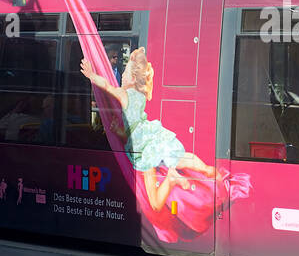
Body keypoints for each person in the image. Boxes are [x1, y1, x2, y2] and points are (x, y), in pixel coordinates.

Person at [80, 48, 217, 211]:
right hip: (148, 136)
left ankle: (171, 179)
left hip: (141, 149)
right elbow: (134, 127)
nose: (121, 75)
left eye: (124, 74)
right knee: (177, 156)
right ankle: (206, 169)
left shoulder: (125, 94)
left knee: (155, 204)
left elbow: (106, 86)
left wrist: (91, 75)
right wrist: (118, 132)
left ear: (131, 79)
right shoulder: (140, 95)